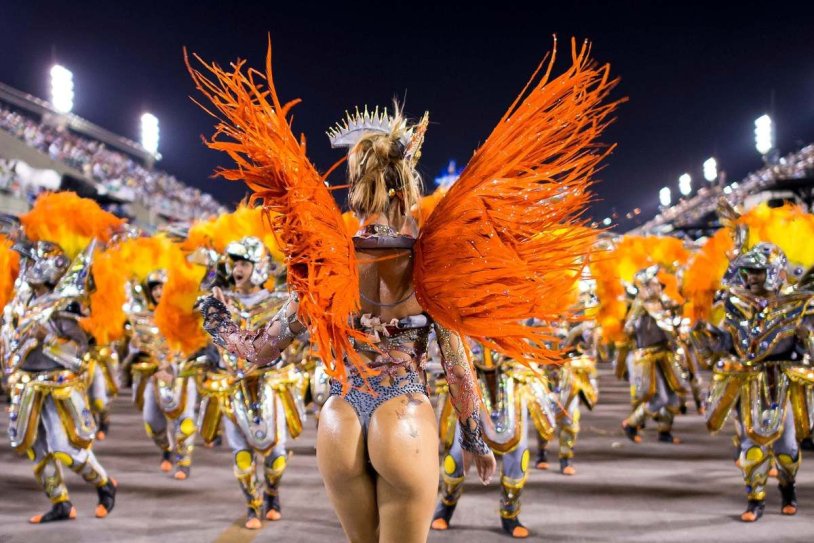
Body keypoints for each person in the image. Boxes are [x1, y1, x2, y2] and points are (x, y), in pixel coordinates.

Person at [188, 36, 618, 541]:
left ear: (356, 189)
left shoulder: (328, 264)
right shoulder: (429, 264)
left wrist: (214, 316)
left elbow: (256, 350)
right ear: (406, 190)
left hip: (339, 418)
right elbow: (457, 366)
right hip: (404, 417)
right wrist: (475, 438)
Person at [198, 237, 306, 529]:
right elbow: (205, 334)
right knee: (242, 456)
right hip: (233, 387)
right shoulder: (220, 300)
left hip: (270, 383)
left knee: (276, 455)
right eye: (235, 263)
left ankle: (272, 493)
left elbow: (301, 333)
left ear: (258, 266)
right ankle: (252, 505)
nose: (238, 269)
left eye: (244, 263)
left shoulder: (281, 300)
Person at [701, 243, 814, 522]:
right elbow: (725, 345)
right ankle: (755, 500)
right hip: (750, 381)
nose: (751, 277)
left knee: (786, 447)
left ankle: (788, 491)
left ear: (774, 272)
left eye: (758, 271)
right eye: (749, 271)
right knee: (751, 444)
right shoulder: (734, 303)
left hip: (784, 381)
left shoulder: (798, 304)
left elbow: (809, 348)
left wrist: (805, 337)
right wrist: (707, 337)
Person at [4, 241, 116, 523]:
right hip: (26, 384)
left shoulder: (65, 305)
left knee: (64, 449)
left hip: (58, 386)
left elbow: (80, 354)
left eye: (34, 261)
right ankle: (60, 503)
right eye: (28, 261)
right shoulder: (20, 300)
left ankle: (104, 484)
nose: (28, 266)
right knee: (35, 448)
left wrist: (49, 340)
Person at [621, 265, 688, 444]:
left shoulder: (663, 302)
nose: (659, 287)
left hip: (665, 353)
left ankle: (664, 432)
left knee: (674, 397)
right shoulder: (640, 305)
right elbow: (627, 329)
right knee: (660, 398)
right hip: (647, 357)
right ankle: (631, 423)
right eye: (654, 284)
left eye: (659, 284)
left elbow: (675, 318)